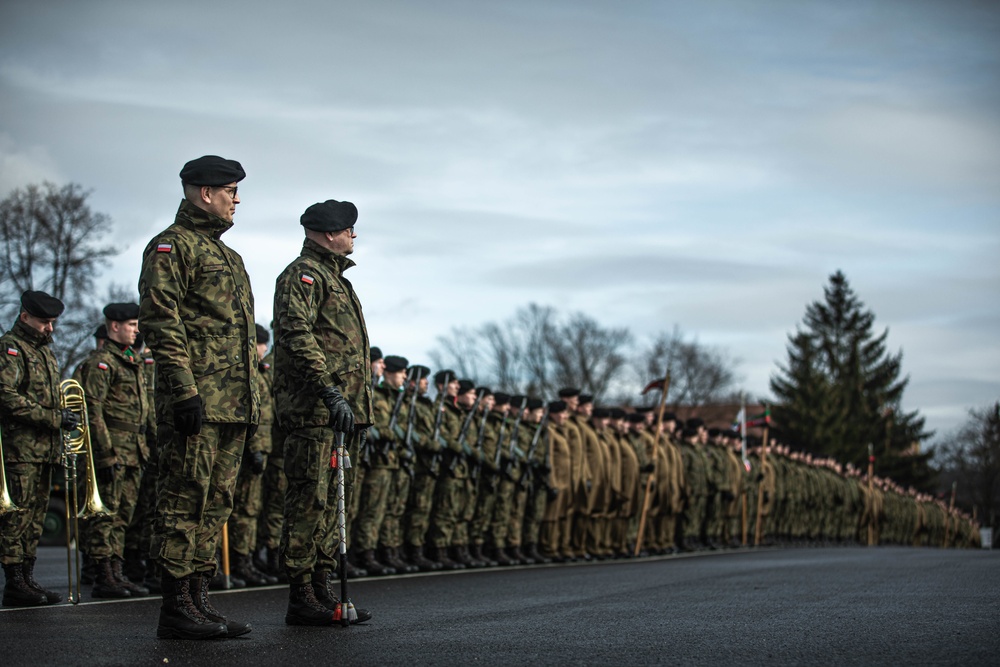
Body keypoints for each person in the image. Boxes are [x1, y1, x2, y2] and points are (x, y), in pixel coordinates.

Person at [139, 155, 259, 640]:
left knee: (215, 504)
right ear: (204, 192)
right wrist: (184, 391)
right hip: (198, 402)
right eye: (231, 191)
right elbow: (160, 320)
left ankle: (198, 599)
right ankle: (175, 606)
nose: (236, 200)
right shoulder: (172, 246)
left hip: (231, 404)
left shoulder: (228, 257)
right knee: (184, 499)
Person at [272, 198, 374, 626]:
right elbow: (297, 336)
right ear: (330, 233)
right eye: (349, 229)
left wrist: (358, 409)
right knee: (309, 502)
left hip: (338, 415)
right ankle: (301, 596)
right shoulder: (303, 276)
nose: (354, 236)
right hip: (314, 411)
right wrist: (330, 393)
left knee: (333, 505)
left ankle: (321, 586)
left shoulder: (337, 280)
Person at [0, 290, 78, 607]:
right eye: (45, 322)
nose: (50, 329)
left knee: (35, 519)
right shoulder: (11, 349)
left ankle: (27, 577)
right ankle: (14, 581)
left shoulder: (44, 352)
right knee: (17, 517)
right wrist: (53, 418)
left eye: (53, 323)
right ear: (25, 317)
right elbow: (6, 397)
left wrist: (63, 418)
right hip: (20, 449)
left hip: (45, 450)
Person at [76, 302, 153, 598]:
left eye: (136, 325)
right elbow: (93, 411)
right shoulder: (101, 362)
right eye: (132, 325)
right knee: (105, 515)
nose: (136, 330)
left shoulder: (130, 361)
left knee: (122, 516)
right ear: (115, 326)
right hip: (113, 450)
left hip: (134, 450)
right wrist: (105, 453)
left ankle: (116, 572)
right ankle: (102, 575)